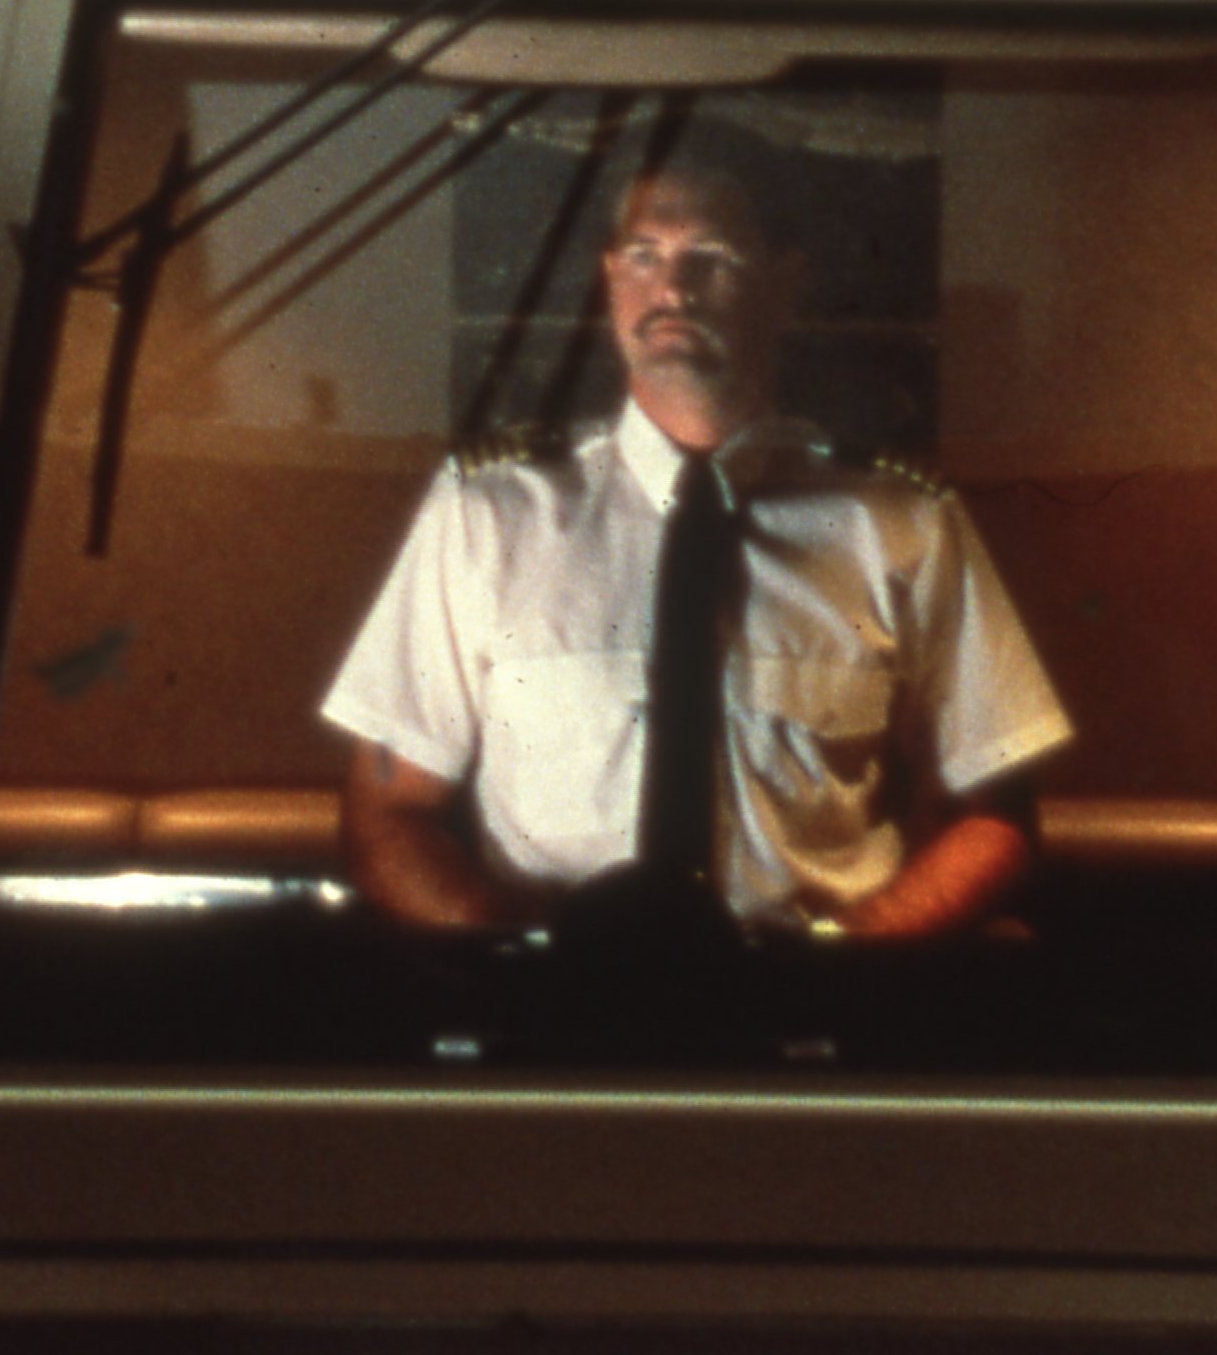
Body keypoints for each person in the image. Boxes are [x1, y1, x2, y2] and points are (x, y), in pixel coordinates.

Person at [320, 139, 1066, 949]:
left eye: (711, 257)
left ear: (783, 284)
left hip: (808, 996)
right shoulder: (489, 515)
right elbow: (388, 814)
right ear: (608, 277)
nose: (672, 289)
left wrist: (846, 954)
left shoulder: (900, 523)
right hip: (556, 997)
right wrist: (524, 960)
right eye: (644, 255)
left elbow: (993, 818)